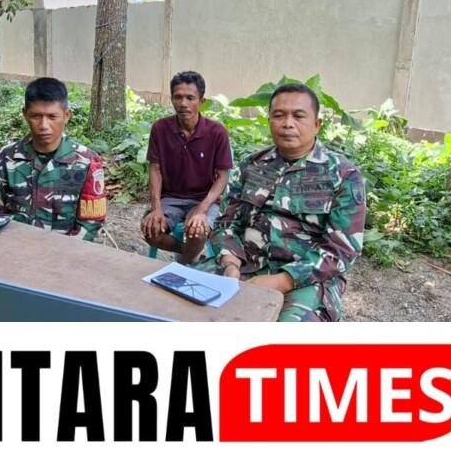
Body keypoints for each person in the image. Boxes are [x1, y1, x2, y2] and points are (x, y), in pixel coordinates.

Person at [207, 82, 365, 322]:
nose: (287, 123)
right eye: (279, 115)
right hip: (242, 265)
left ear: (317, 124)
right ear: (269, 120)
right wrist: (230, 262)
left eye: (298, 116)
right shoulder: (251, 165)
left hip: (307, 280)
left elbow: (343, 248)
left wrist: (283, 280)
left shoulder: (343, 175)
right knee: (180, 309)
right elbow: (225, 223)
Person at [0, 77, 106, 241]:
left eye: (52, 117)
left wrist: (57, 252)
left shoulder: (87, 162)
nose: (43, 126)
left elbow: (91, 225)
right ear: (25, 114)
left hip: (67, 250)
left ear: (66, 116)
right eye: (36, 116)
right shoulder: (3, 159)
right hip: (13, 247)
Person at [141, 71, 234, 264]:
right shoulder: (160, 128)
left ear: (201, 101)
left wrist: (202, 209)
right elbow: (155, 169)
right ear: (172, 99)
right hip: (171, 199)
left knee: (197, 232)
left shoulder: (217, 132)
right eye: (178, 97)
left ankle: (182, 264)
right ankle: (190, 255)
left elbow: (222, 176)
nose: (183, 103)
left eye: (190, 98)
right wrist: (156, 208)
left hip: (205, 199)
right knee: (151, 231)